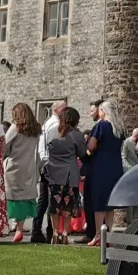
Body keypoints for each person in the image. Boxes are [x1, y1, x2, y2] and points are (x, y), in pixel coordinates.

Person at [42, 107, 86, 245]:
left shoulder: (51, 131)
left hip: (54, 172)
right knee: (67, 204)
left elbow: (47, 149)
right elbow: (82, 153)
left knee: (54, 204)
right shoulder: (76, 135)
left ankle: (55, 233)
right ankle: (65, 233)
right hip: (70, 173)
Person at [86, 100, 127, 246]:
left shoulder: (101, 126)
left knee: (99, 202)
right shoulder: (119, 128)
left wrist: (89, 150)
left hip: (101, 165)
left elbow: (91, 146)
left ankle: (98, 234)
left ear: (103, 110)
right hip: (115, 165)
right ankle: (109, 234)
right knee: (110, 203)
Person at [3, 103, 41, 243]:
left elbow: (4, 145)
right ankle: (19, 229)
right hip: (29, 167)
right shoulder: (36, 129)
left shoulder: (15, 128)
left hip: (13, 167)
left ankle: (5, 227)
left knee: (9, 198)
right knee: (23, 198)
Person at [32, 99, 67, 243]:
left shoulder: (46, 124)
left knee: (43, 199)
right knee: (51, 198)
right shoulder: (56, 125)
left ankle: (37, 229)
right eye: (64, 109)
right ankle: (49, 231)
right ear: (56, 110)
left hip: (44, 160)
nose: (66, 111)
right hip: (51, 162)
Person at [80, 99, 103, 242]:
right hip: (103, 168)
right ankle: (99, 233)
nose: (90, 113)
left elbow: (91, 148)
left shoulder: (99, 127)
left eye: (92, 110)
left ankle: (92, 233)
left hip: (94, 168)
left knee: (90, 202)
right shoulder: (114, 127)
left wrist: (84, 153)